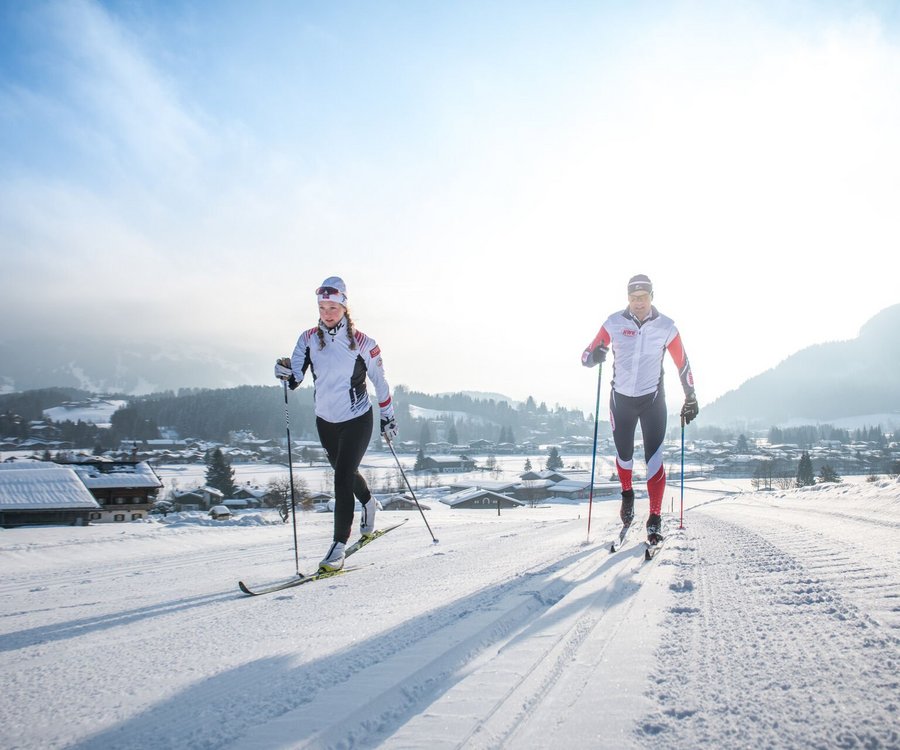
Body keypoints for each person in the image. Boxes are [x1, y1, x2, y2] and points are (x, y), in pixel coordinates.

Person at [275, 276, 398, 571]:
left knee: (341, 478)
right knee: (345, 471)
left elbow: (380, 382)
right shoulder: (306, 339)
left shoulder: (363, 343)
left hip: (357, 419)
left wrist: (388, 416)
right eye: (322, 307)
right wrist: (282, 371)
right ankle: (369, 503)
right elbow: (294, 378)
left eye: (333, 306)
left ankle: (337, 547)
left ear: (344, 307)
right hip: (325, 421)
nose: (327, 313)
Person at [581, 274, 698, 543]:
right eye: (633, 298)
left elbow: (683, 363)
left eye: (643, 298)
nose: (638, 303)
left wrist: (690, 396)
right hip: (620, 401)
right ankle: (627, 496)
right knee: (624, 457)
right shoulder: (613, 323)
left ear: (652, 297)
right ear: (628, 299)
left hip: (652, 400)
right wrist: (594, 358)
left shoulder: (666, 327)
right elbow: (586, 355)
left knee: (654, 459)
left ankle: (655, 519)